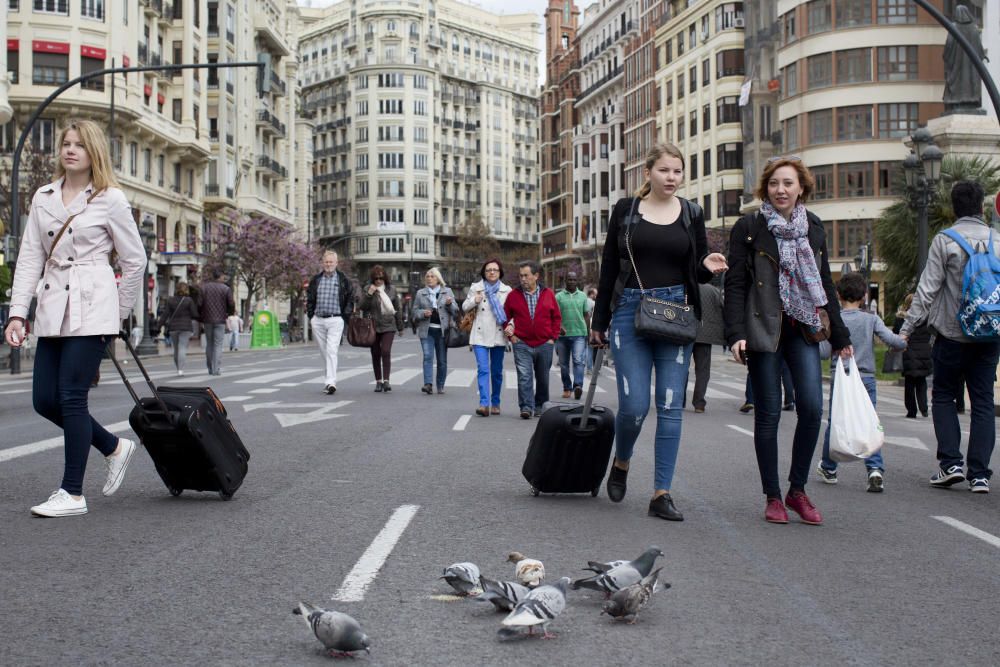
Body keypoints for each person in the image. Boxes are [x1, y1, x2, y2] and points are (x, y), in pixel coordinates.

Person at [3, 119, 146, 517]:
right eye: (66, 143)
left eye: (79, 145)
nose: (70, 150)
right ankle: (113, 447)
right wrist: (18, 313)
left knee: (71, 396)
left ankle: (73, 493)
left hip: (93, 306)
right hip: (52, 306)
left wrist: (115, 315)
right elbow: (31, 256)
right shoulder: (43, 196)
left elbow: (135, 261)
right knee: (44, 400)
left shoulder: (110, 199)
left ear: (93, 152)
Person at [590, 142, 728, 522]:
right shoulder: (626, 211)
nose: (672, 178)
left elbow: (695, 270)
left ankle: (661, 493)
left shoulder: (691, 213)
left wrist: (708, 267)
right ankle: (622, 460)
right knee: (634, 407)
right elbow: (607, 270)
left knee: (670, 405)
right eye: (665, 170)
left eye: (678, 171)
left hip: (676, 313)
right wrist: (598, 322)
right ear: (648, 172)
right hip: (630, 311)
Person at [724, 156, 852, 526]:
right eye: (775, 184)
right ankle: (773, 496)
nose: (781, 190)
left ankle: (798, 490)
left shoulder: (812, 225)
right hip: (764, 327)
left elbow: (824, 281)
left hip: (804, 327)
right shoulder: (749, 227)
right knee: (768, 414)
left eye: (788, 184)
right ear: (766, 188)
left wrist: (840, 333)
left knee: (812, 408)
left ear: (801, 189)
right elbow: (735, 284)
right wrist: (736, 333)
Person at [900, 180, 1000, 493]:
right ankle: (980, 474)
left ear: (954, 208)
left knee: (943, 395)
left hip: (952, 335)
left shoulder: (945, 240)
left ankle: (950, 464)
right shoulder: (998, 239)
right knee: (983, 401)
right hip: (990, 336)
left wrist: (906, 328)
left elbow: (927, 290)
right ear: (982, 206)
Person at [817, 272, 906, 491]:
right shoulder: (872, 319)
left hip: (841, 378)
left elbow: (824, 352)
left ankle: (829, 466)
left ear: (837, 295)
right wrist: (903, 340)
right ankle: (874, 469)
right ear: (865, 296)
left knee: (836, 421)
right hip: (866, 379)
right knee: (869, 422)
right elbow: (892, 340)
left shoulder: (835, 320)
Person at [503, 260, 562, 418]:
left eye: (526, 275)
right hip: (521, 343)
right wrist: (512, 336)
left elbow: (556, 317)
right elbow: (504, 318)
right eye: (521, 275)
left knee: (543, 377)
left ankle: (540, 406)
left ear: (536, 276)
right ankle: (526, 407)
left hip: (545, 343)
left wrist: (552, 338)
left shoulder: (548, 293)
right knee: (524, 376)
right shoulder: (513, 296)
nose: (523, 279)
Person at [463, 258, 513, 417]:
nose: (492, 272)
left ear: (500, 273)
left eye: (495, 270)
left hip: (499, 334)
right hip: (480, 335)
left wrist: (511, 325)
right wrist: (473, 300)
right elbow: (465, 307)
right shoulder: (476, 288)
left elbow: (512, 312)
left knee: (497, 372)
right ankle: (484, 404)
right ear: (484, 273)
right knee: (483, 369)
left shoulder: (507, 290)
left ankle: (496, 402)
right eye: (489, 270)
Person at [306, 250, 354, 395]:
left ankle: (330, 382)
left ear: (336, 263)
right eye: (326, 262)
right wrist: (311, 316)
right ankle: (329, 378)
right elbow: (310, 298)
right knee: (324, 351)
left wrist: (345, 316)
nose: (328, 264)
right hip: (318, 319)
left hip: (336, 319)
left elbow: (350, 298)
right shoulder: (316, 280)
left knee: (332, 350)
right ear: (323, 263)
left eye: (331, 262)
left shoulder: (343, 279)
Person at [411, 267, 459, 395]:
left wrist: (449, 304)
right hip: (427, 331)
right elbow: (414, 312)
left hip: (443, 332)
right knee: (427, 356)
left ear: (438, 279)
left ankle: (440, 385)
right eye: (427, 276)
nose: (429, 278)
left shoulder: (447, 291)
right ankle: (428, 384)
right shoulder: (420, 293)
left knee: (442, 360)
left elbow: (455, 311)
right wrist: (422, 313)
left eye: (432, 276)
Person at [359, 265, 404, 392]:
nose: (379, 280)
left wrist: (400, 327)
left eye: (381, 278)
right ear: (373, 279)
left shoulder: (391, 289)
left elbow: (398, 309)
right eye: (376, 278)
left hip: (388, 324)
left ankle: (386, 381)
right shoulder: (368, 288)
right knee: (375, 353)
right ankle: (378, 381)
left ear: (385, 277)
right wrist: (369, 294)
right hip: (373, 325)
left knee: (385, 351)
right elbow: (362, 306)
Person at [892, 293, 930, 418]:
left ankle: (911, 410)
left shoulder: (901, 319)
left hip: (908, 352)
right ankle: (924, 407)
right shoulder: (927, 318)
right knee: (921, 381)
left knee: (909, 383)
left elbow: (896, 334)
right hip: (924, 352)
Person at [555, 271, 591, 400]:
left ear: (577, 281)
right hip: (562, 337)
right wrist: (559, 327)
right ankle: (566, 387)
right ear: (565, 281)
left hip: (579, 334)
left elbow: (586, 315)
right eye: (569, 279)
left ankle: (578, 386)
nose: (571, 282)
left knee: (578, 360)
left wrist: (588, 333)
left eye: (574, 280)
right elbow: (554, 315)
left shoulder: (582, 296)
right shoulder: (558, 296)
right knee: (564, 364)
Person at [690, 283, 725, 413]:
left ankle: (679, 399)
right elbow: (723, 308)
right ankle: (699, 403)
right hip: (706, 334)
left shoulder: (687, 285)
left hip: (685, 331)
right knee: (703, 371)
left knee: (681, 369)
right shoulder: (713, 291)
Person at [197, 267, 234, 376]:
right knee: (218, 344)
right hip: (220, 320)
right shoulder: (226, 289)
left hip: (207, 319)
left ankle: (209, 367)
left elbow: (199, 304)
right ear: (221, 276)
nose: (225, 278)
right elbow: (231, 303)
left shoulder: (204, 288)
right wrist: (228, 313)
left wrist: (201, 315)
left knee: (209, 344)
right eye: (223, 276)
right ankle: (216, 369)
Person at [159, 282, 199, 376]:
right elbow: (194, 314)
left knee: (176, 349)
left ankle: (178, 368)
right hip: (186, 327)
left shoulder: (170, 300)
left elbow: (165, 314)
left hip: (173, 327)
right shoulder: (189, 300)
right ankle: (181, 369)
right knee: (182, 348)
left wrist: (159, 326)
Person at [584, 287, 598, 374]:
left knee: (584, 347)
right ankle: (589, 368)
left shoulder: (584, 301)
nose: (596, 296)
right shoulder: (593, 303)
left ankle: (583, 365)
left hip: (582, 326)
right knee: (590, 348)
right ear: (591, 294)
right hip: (591, 326)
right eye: (595, 294)